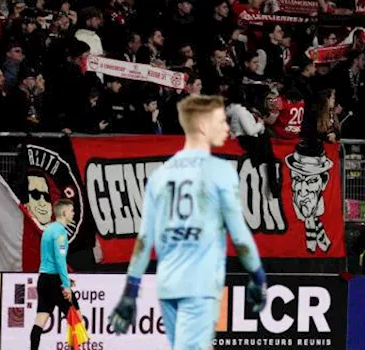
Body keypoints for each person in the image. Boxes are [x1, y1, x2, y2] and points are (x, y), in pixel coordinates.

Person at [110, 95, 267, 348]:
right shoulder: (220, 171)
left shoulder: (161, 174)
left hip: (169, 284)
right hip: (200, 283)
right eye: (220, 122)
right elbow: (239, 235)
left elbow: (144, 239)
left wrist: (131, 290)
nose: (227, 128)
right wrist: (257, 275)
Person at [30, 198, 76, 350]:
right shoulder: (60, 233)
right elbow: (59, 260)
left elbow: (50, 259)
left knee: (40, 320)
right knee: (76, 320)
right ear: (64, 212)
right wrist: (66, 285)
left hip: (43, 279)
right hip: (55, 281)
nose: (73, 214)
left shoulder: (48, 229)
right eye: (71, 211)